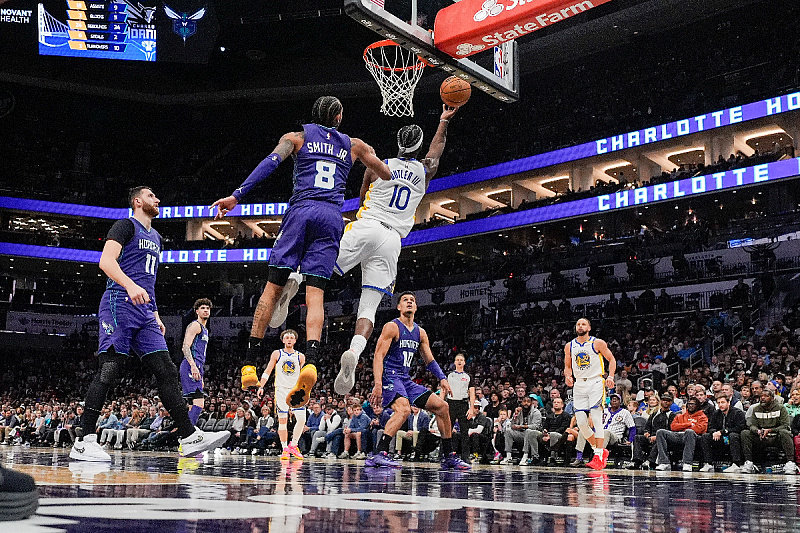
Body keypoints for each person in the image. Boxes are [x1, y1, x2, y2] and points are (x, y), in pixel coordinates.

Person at [211, 96, 391, 409]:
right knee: (316, 294)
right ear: (337, 118)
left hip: (301, 211)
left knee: (272, 287)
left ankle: (251, 363)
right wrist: (367, 164)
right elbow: (386, 173)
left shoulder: (297, 138)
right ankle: (312, 360)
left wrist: (237, 195)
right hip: (332, 217)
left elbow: (270, 163)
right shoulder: (354, 145)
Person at [70, 187, 230, 461]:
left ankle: (189, 436)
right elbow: (106, 262)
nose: (157, 199)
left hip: (144, 311)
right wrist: (130, 286)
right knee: (109, 369)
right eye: (151, 195)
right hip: (118, 302)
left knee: (166, 370)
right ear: (137, 201)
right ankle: (84, 440)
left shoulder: (156, 237)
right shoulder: (124, 226)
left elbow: (149, 281)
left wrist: (154, 313)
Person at [333, 106, 458, 395]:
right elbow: (437, 149)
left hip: (368, 225)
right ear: (417, 147)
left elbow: (362, 196)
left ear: (399, 143)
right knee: (369, 306)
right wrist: (442, 120)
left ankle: (294, 284)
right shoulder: (424, 170)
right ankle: (355, 349)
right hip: (392, 242)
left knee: (319, 270)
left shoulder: (377, 164)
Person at [367, 291, 470, 470]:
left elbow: (429, 360)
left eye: (412, 300)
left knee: (443, 407)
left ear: (416, 307)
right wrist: (378, 383)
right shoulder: (392, 327)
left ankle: (448, 456)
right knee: (404, 409)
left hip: (405, 379)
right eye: (405, 300)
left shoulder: (420, 332)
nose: (409, 302)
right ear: (399, 307)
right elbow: (378, 355)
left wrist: (442, 378)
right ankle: (379, 453)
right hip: (389, 376)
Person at [563, 317, 617, 470]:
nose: (580, 326)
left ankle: (598, 455)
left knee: (597, 419)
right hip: (579, 383)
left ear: (589, 328)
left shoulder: (597, 343)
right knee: (581, 423)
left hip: (596, 382)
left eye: (583, 324)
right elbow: (567, 366)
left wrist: (611, 376)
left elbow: (612, 360)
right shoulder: (569, 346)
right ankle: (599, 450)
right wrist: (568, 375)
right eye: (578, 324)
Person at [256, 329, 307, 461]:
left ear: (295, 341)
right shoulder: (277, 353)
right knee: (282, 421)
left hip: (296, 390)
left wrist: (306, 391)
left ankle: (294, 445)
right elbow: (268, 370)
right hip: (281, 390)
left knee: (301, 419)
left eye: (291, 337)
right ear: (283, 340)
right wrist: (261, 386)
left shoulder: (300, 356)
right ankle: (284, 448)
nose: (289, 339)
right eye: (287, 337)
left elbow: (304, 376)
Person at [738, 389, 796, 474]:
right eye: (761, 396)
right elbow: (752, 425)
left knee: (785, 432)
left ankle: (790, 463)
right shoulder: (756, 409)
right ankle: (749, 463)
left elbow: (785, 425)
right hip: (761, 437)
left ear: (772, 398)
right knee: (745, 433)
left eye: (766, 396)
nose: (763, 398)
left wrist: (770, 430)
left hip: (776, 437)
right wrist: (757, 431)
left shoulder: (781, 408)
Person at [180, 298, 212, 428]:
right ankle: (188, 434)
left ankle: (183, 434)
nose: (205, 310)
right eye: (203, 308)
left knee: (192, 405)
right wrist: (193, 366)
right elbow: (185, 347)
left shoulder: (205, 329)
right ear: (197, 311)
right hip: (190, 365)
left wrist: (200, 374)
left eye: (207, 308)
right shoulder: (195, 325)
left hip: (198, 366)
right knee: (199, 403)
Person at [625, 392, 676, 470]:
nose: (665, 402)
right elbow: (647, 425)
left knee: (659, 439)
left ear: (671, 403)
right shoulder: (654, 414)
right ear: (661, 401)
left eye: (668, 401)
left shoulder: (672, 415)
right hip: (650, 437)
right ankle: (637, 461)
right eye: (664, 400)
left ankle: (650, 461)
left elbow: (671, 430)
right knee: (637, 438)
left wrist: (656, 436)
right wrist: (646, 432)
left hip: (662, 438)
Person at [654, 397, 708, 472]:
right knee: (660, 432)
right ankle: (664, 462)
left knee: (689, 432)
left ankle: (687, 463)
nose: (690, 406)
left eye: (693, 404)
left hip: (695, 437)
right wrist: (689, 424)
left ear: (697, 405)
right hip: (679, 435)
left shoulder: (702, 416)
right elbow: (673, 427)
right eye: (689, 404)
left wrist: (683, 427)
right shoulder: (680, 416)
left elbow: (700, 429)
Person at [699, 393, 746, 472]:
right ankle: (708, 463)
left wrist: (722, 431)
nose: (720, 405)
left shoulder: (737, 413)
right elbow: (710, 427)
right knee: (705, 436)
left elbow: (740, 427)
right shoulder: (716, 413)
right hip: (720, 438)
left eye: (723, 402)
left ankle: (736, 464)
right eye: (719, 403)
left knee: (733, 435)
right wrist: (714, 432)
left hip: (733, 437)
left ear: (728, 402)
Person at [443, 353, 476, 462]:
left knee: (464, 431)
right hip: (450, 403)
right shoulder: (449, 375)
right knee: (447, 430)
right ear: (455, 362)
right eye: (457, 359)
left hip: (463, 404)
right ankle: (444, 454)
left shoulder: (468, 376)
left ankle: (465, 457)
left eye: (461, 360)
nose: (459, 361)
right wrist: (440, 403)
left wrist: (471, 408)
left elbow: (472, 393)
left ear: (464, 362)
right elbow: (443, 390)